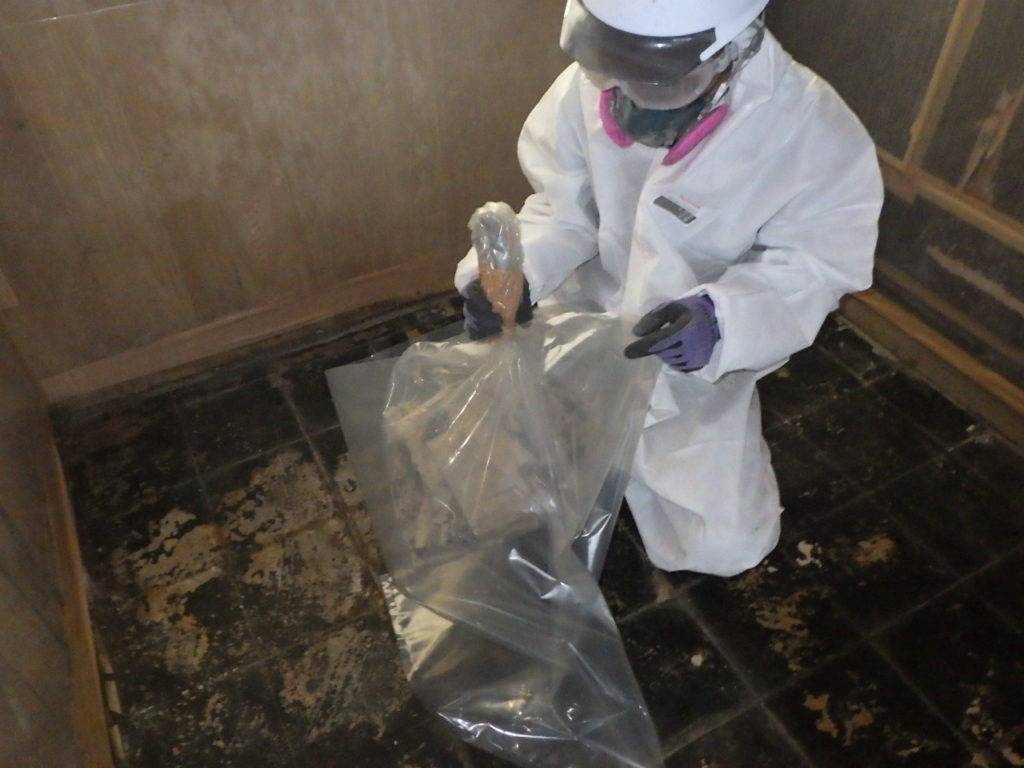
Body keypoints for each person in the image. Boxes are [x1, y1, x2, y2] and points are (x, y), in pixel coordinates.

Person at [454, 0, 884, 577]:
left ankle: (620, 455)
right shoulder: (586, 88)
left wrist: (723, 320)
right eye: (612, 64)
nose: (625, 89)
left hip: (688, 367)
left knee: (723, 547)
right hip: (582, 325)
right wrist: (515, 276)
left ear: (735, 48)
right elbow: (562, 209)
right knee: (515, 496)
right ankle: (584, 450)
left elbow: (818, 263)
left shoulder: (806, 127)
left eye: (657, 76)